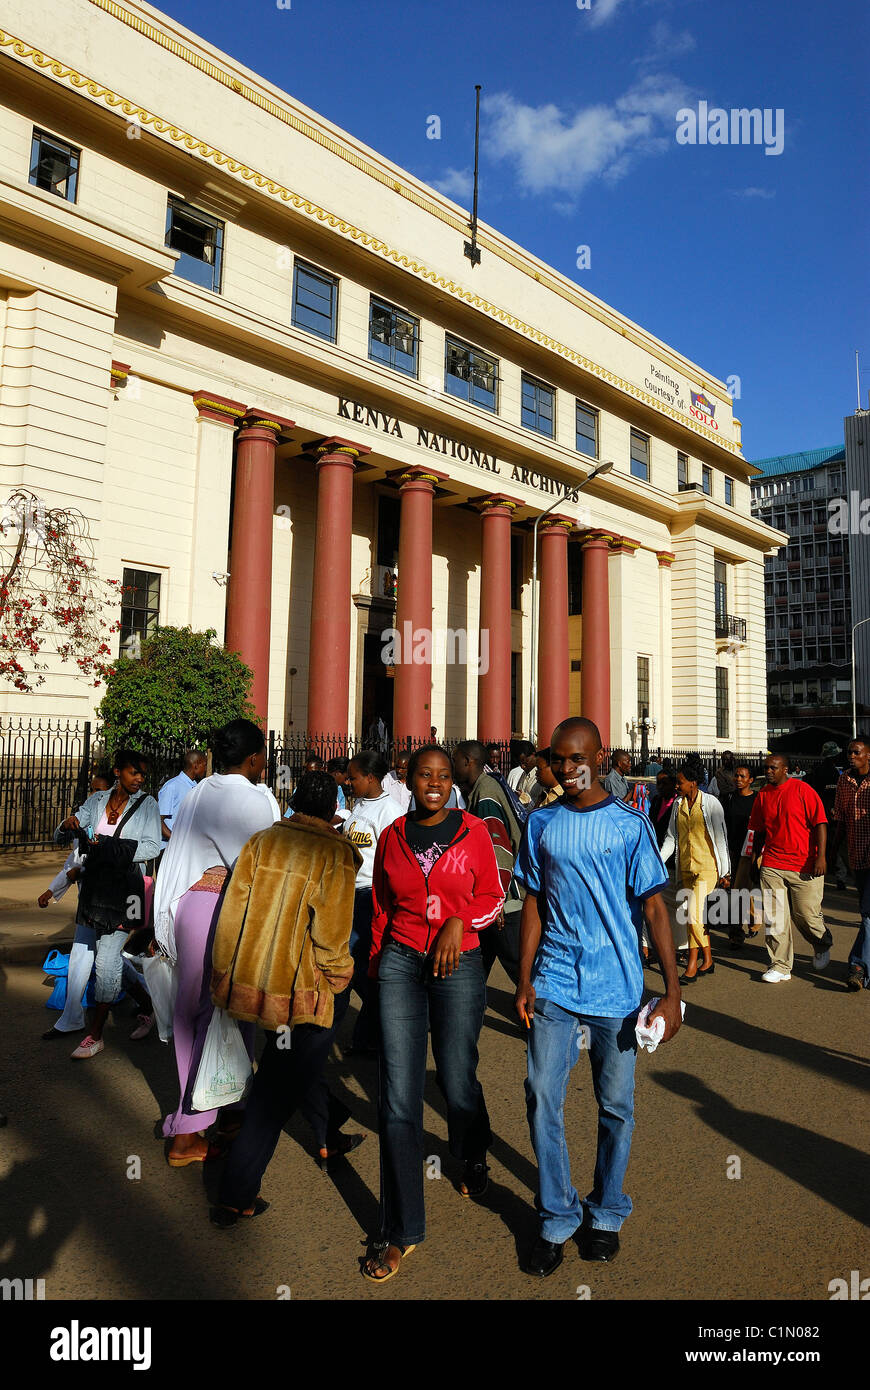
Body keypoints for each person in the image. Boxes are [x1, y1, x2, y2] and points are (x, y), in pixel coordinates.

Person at [515, 717, 681, 1275]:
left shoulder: (629, 826)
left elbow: (655, 907)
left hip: (617, 990)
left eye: (576, 758)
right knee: (542, 1095)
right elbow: (533, 902)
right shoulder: (539, 823)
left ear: (600, 757)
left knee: (616, 1106)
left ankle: (606, 1212)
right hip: (556, 982)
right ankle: (557, 1216)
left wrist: (672, 991)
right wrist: (523, 978)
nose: (566, 768)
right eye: (558, 759)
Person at [362, 744, 504, 1283]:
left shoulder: (473, 834)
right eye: (425, 775)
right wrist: (377, 967)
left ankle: (471, 1152)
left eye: (444, 776)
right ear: (409, 778)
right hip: (400, 960)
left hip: (460, 963)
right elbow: (381, 902)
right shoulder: (393, 836)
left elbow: (494, 896)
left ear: (453, 783)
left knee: (454, 1074)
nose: (435, 783)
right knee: (398, 1095)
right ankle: (401, 1229)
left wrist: (457, 921)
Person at [209, 771, 365, 1226]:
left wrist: (224, 971)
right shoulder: (336, 852)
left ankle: (326, 1135)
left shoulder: (261, 842)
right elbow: (332, 931)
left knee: (294, 1066)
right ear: (331, 808)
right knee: (275, 1090)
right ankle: (236, 1194)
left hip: (259, 980)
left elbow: (232, 912)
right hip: (305, 988)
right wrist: (341, 975)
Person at [153, 719, 281, 1165]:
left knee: (205, 1011)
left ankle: (231, 1108)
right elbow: (257, 866)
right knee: (218, 1011)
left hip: (192, 905)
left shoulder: (200, 790)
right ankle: (188, 1133)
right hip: (223, 909)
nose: (265, 764)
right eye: (263, 756)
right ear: (252, 759)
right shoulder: (251, 798)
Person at [48, 750, 162, 1057]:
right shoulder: (96, 801)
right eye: (134, 772)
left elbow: (151, 846)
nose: (140, 778)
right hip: (95, 890)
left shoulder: (147, 805)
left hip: (126, 893)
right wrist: (69, 823)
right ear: (117, 772)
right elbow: (65, 830)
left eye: (142, 773)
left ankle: (95, 1034)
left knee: (107, 959)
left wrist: (108, 847)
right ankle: (150, 1003)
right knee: (100, 956)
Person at [744, 753, 831, 984]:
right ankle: (780, 965)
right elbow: (759, 831)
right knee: (775, 916)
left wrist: (821, 857)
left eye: (773, 767)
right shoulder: (763, 795)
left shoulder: (803, 791)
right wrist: (755, 861)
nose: (769, 771)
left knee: (805, 914)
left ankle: (821, 942)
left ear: (786, 770)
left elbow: (820, 823)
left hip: (805, 864)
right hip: (773, 863)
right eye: (766, 768)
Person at [341, 750, 403, 1053]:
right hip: (349, 895)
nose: (348, 782)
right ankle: (370, 1036)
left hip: (369, 896)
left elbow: (395, 860)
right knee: (357, 967)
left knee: (355, 966)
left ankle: (382, 1025)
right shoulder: (358, 807)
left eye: (353, 777)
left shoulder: (389, 812)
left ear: (370, 777)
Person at [452, 740, 524, 984]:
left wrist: (498, 898)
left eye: (455, 760)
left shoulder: (485, 793)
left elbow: (497, 848)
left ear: (467, 762)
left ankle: (540, 1020)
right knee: (474, 970)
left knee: (520, 970)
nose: (452, 765)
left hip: (503, 903)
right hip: (493, 901)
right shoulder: (482, 788)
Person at [660, 762, 730, 983]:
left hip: (708, 868)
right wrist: (658, 862)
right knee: (695, 916)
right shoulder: (678, 804)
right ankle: (706, 960)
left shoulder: (711, 804)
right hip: (686, 869)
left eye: (680, 782)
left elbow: (721, 838)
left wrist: (726, 871)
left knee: (692, 914)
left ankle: (693, 964)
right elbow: (671, 838)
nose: (676, 786)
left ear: (693, 783)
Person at [829, 736, 870, 989]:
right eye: (849, 753)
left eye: (856, 752)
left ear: (868, 755)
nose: (851, 756)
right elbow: (841, 819)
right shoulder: (844, 780)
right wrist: (831, 853)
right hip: (857, 855)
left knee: (868, 914)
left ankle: (857, 965)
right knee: (867, 912)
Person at [721, 763, 760, 948]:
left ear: (751, 780)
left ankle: (754, 920)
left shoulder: (758, 800)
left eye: (742, 776)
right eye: (736, 776)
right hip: (734, 852)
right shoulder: (727, 798)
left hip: (754, 852)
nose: (738, 779)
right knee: (736, 892)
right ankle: (736, 933)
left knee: (752, 891)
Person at [807, 742, 848, 888]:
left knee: (829, 846)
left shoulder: (818, 771)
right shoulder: (831, 772)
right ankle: (841, 877)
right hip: (830, 816)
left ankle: (837, 875)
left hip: (824, 815)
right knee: (836, 846)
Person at [158, 751, 207, 840]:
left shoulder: (195, 786)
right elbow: (158, 820)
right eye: (204, 765)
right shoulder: (172, 786)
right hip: (169, 847)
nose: (206, 769)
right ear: (196, 766)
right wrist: (175, 840)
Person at [383, 748, 412, 813]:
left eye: (402, 768)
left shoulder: (414, 781)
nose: (399, 770)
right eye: (397, 767)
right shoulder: (386, 781)